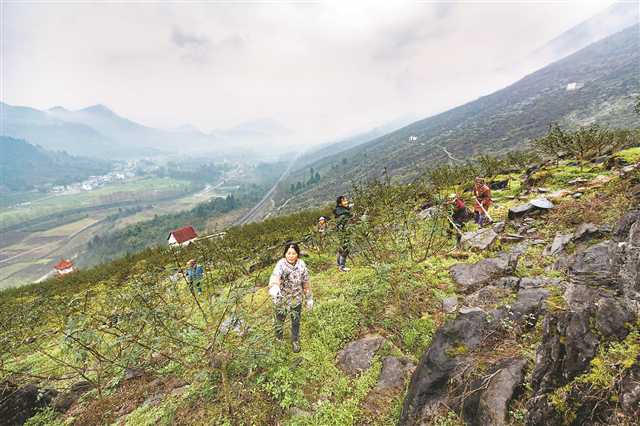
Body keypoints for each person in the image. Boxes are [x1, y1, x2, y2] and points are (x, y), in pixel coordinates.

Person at [268, 243, 313, 353]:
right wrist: (274, 287)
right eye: (288, 253)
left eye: (293, 253)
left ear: (297, 254)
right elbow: (275, 276)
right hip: (282, 299)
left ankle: (295, 340)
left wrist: (309, 298)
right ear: (285, 254)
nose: (291, 256)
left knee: (296, 321)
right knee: (280, 320)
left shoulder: (301, 264)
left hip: (296, 298)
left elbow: (305, 282)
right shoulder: (281, 264)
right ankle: (279, 339)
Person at [334, 195, 353, 272]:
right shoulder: (343, 214)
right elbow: (341, 225)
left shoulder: (340, 210)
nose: (346, 202)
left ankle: (339, 264)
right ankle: (342, 267)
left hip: (342, 233)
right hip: (343, 233)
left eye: (346, 200)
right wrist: (344, 234)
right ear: (340, 204)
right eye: (344, 201)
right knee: (345, 249)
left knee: (341, 249)